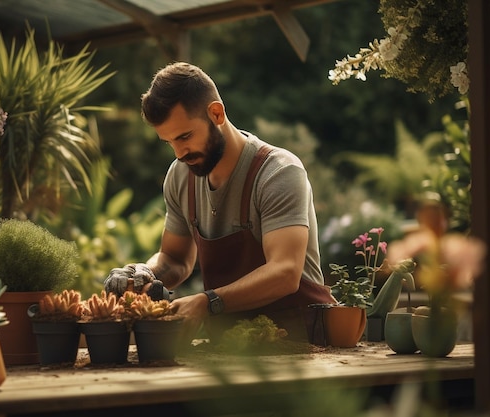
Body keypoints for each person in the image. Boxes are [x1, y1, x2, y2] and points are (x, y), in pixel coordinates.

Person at [104, 62, 335, 343]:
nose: (179, 153)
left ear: (216, 113)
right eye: (169, 142)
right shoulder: (180, 177)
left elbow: (285, 272)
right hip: (229, 350)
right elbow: (175, 259)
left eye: (185, 137)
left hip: (303, 346)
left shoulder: (278, 172)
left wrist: (206, 302)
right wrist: (144, 273)